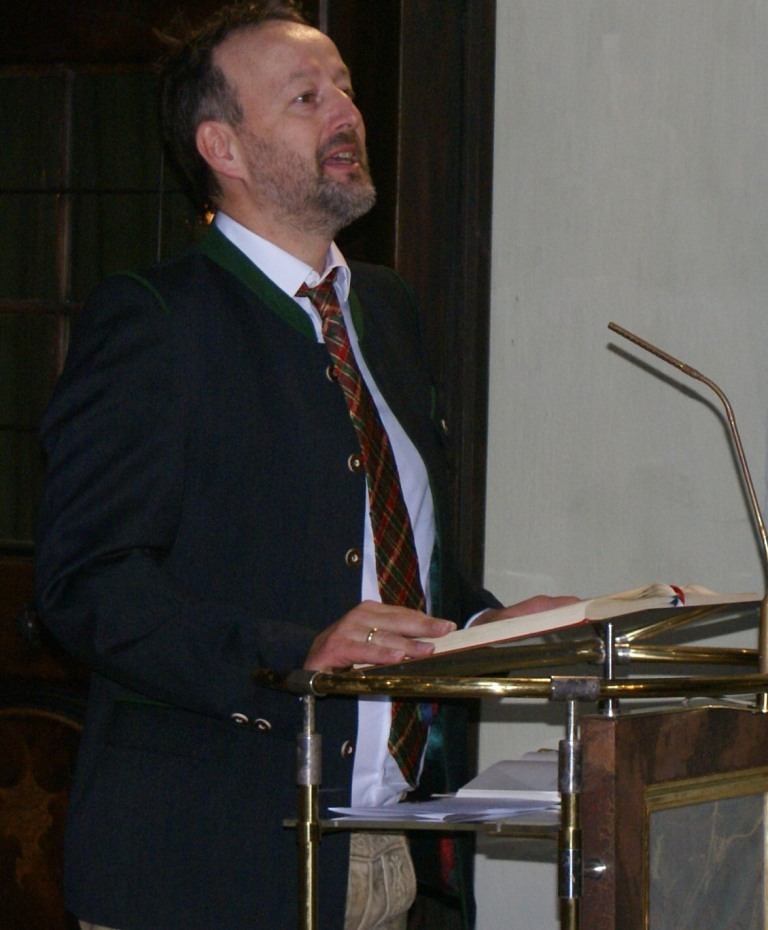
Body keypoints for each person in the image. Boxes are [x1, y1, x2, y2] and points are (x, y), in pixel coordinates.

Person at [34, 3, 572, 928]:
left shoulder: (387, 312)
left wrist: (487, 628)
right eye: (305, 97)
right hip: (204, 868)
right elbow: (86, 586)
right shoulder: (155, 321)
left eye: (346, 90)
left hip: (387, 855)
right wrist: (292, 656)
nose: (346, 113)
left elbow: (389, 561)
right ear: (223, 147)